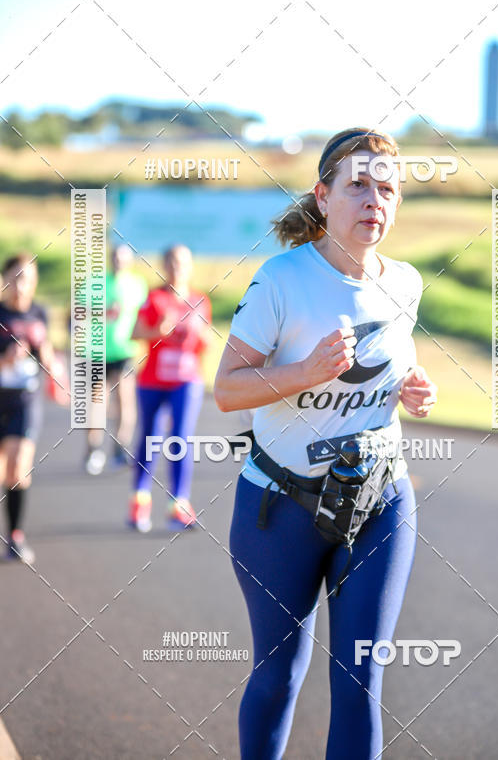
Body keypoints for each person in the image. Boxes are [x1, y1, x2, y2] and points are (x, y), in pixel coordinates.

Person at [214, 127, 438, 759]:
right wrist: (302, 374)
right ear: (323, 195)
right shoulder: (281, 279)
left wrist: (412, 390)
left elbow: (391, 371)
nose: (374, 200)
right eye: (358, 184)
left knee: (361, 679)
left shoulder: (406, 283)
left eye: (387, 189)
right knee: (280, 674)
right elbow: (228, 390)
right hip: (281, 508)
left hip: (380, 500)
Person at [128, 244, 212, 533]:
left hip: (187, 380)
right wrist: (157, 331)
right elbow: (135, 332)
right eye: (172, 261)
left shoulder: (200, 301)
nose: (177, 266)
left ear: (190, 265)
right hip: (153, 379)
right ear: (164, 265)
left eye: (183, 262)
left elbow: (205, 343)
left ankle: (179, 504)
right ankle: (139, 499)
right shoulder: (154, 298)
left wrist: (204, 339)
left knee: (180, 439)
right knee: (150, 437)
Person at [0, 253, 67, 564]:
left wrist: (56, 373)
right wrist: (6, 359)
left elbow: (48, 355)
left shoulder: (40, 313)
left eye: (26, 278)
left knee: (19, 467)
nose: (20, 285)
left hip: (25, 401)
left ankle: (15, 536)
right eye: (15, 277)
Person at [83, 244, 148, 475]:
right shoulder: (94, 283)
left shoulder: (137, 285)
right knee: (97, 401)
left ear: (129, 261)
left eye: (123, 259)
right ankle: (93, 448)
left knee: (125, 399)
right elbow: (78, 313)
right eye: (115, 258)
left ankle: (120, 447)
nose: (118, 262)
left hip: (125, 350)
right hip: (97, 350)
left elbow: (145, 315)